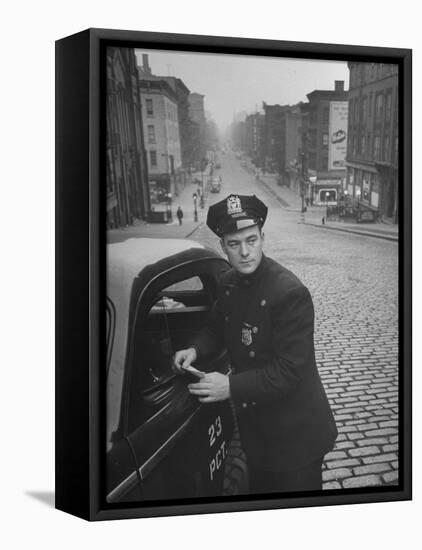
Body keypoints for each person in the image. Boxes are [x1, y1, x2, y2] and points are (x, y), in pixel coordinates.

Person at [173, 193, 337, 494]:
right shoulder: (228, 283)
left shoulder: (289, 293)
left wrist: (229, 386)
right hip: (257, 432)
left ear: (262, 237)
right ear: (223, 246)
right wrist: (195, 348)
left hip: (295, 437)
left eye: (252, 240)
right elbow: (214, 327)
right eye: (234, 244)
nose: (245, 252)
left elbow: (289, 371)